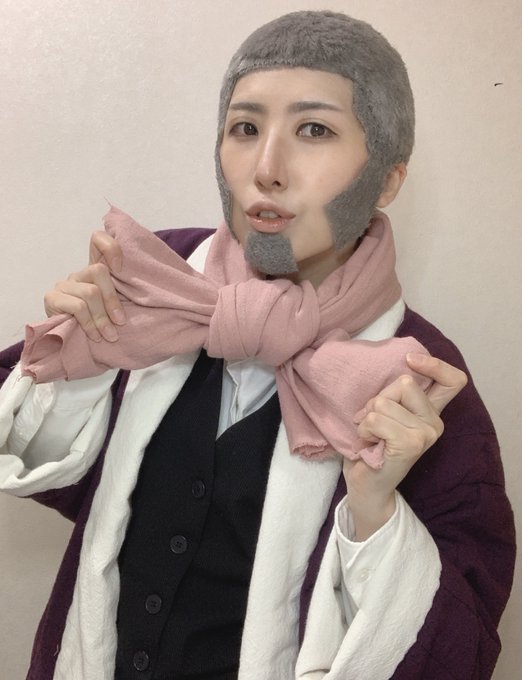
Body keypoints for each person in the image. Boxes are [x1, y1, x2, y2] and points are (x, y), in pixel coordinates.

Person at [0, 10, 515, 680]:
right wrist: (75, 363)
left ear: (388, 179)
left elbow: (461, 647)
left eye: (314, 130)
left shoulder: (419, 378)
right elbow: (60, 477)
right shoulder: (155, 281)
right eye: (245, 128)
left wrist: (375, 513)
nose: (267, 169)